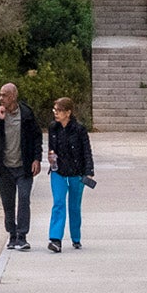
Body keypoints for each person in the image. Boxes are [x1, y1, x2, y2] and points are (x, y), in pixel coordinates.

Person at [0, 81, 42, 249]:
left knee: (23, 199)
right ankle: (12, 235)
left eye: (4, 95)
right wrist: (0, 120)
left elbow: (37, 137)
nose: (1, 98)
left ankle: (22, 236)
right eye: (0, 95)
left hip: (24, 167)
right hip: (4, 168)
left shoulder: (27, 114)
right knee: (8, 203)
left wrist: (37, 158)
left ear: (13, 96)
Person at [45, 96, 94, 253]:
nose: (56, 113)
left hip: (76, 172)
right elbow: (51, 148)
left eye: (59, 110)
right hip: (58, 171)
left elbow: (86, 151)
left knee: (74, 206)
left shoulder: (79, 129)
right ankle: (55, 239)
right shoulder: (53, 128)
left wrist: (89, 171)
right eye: (55, 110)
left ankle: (76, 237)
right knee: (58, 203)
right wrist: (51, 158)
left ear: (68, 112)